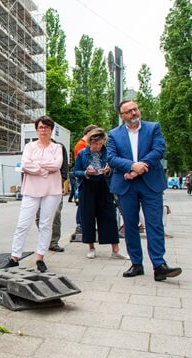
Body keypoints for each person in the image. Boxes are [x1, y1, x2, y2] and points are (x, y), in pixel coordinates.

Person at [107, 100, 182, 281]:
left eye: (135, 109)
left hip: (150, 183)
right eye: (129, 111)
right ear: (122, 116)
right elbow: (111, 157)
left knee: (154, 224)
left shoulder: (153, 128)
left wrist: (141, 167)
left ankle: (159, 265)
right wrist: (132, 166)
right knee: (130, 225)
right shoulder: (114, 134)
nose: (134, 113)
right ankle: (136, 264)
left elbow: (159, 149)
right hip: (127, 186)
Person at [7, 116, 63, 273]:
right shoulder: (29, 147)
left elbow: (57, 164)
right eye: (40, 127)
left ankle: (40, 257)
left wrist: (37, 165)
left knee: (46, 224)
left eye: (46, 127)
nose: (43, 130)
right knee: (23, 223)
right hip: (31, 189)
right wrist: (43, 169)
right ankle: (14, 256)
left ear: (51, 130)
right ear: (37, 129)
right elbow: (25, 164)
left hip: (52, 190)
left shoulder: (57, 147)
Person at [74, 128, 128, 259]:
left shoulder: (108, 153)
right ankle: (91, 247)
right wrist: (86, 173)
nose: (97, 146)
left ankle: (115, 249)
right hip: (87, 186)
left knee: (109, 217)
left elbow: (115, 170)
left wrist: (108, 171)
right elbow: (76, 171)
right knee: (88, 217)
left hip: (104, 186)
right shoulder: (82, 153)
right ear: (89, 142)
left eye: (99, 143)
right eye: (94, 144)